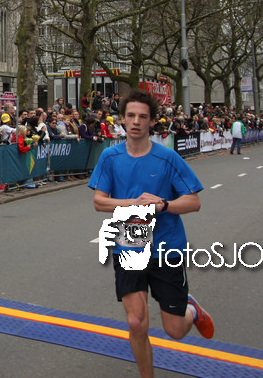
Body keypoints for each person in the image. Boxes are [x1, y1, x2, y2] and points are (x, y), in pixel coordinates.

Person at [88, 89, 212, 378]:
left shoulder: (168, 158)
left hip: (166, 248)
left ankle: (193, 311)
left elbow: (193, 202)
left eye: (142, 117)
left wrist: (163, 205)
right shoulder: (110, 157)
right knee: (136, 323)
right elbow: (99, 202)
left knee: (175, 330)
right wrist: (134, 204)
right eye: (130, 115)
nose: (136, 122)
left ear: (152, 121)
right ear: (121, 119)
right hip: (129, 244)